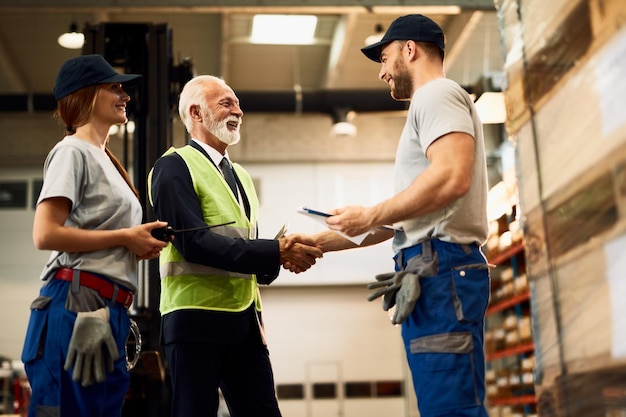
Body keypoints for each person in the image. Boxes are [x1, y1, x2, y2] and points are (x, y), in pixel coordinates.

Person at [294, 14, 491, 417]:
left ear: (410, 50)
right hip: (432, 270)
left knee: (450, 409)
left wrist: (368, 214)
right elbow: (403, 218)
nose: (383, 73)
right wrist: (318, 243)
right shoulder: (430, 104)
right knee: (442, 405)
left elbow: (452, 176)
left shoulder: (435, 95)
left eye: (384, 59)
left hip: (442, 268)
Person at [148, 74, 323, 417]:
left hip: (244, 323)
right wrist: (275, 252)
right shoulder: (173, 167)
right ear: (196, 114)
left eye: (238, 104)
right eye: (226, 103)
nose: (238, 111)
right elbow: (192, 243)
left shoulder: (239, 175)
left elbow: (242, 245)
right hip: (195, 321)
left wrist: (279, 259)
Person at [21, 54, 170, 417]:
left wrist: (137, 243)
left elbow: (107, 232)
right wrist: (125, 238)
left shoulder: (107, 159)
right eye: (114, 88)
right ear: (85, 95)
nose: (125, 95)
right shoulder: (72, 151)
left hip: (109, 309)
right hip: (77, 302)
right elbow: (45, 233)